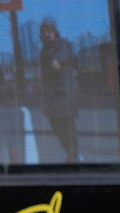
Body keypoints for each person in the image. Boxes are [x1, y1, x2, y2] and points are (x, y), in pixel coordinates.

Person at [39, 17, 79, 163]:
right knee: (55, 124)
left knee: (67, 125)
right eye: (44, 32)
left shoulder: (62, 44)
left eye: (49, 31)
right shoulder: (43, 50)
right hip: (52, 93)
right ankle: (70, 153)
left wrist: (57, 60)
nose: (46, 34)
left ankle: (73, 156)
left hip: (64, 92)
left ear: (55, 32)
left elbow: (63, 53)